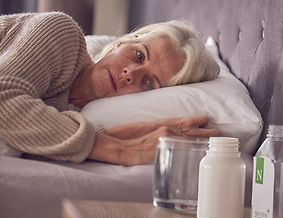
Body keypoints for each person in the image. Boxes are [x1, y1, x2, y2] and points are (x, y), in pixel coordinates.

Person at [0, 12, 220, 166]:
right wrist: (123, 150)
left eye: (150, 83)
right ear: (122, 43)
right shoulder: (61, 33)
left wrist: (126, 133)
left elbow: (30, 147)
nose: (131, 74)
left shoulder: (80, 116)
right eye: (139, 55)